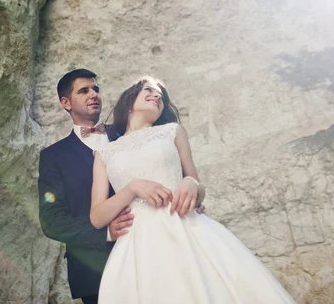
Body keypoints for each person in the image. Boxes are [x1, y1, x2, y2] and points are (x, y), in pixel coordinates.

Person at [90, 76, 297, 304]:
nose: (157, 96)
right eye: (149, 90)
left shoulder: (173, 131)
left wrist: (191, 184)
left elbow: (197, 185)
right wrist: (132, 188)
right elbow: (97, 217)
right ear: (129, 101)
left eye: (161, 96)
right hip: (138, 243)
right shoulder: (104, 153)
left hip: (185, 225)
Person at [38, 69, 134, 304]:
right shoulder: (53, 157)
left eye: (96, 89)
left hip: (143, 253)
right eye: (84, 90)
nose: (94, 94)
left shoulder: (130, 135)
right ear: (65, 102)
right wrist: (106, 232)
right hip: (94, 271)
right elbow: (52, 221)